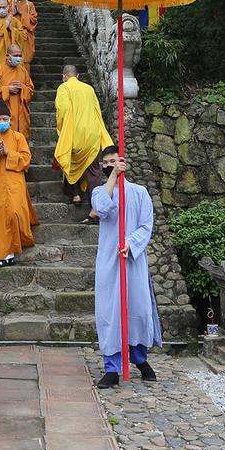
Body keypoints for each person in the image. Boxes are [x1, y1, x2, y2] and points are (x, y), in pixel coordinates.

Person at [91, 147, 162, 387]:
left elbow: (146, 225)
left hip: (133, 259)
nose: (110, 165)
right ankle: (112, 367)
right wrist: (112, 177)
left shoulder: (140, 192)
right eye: (106, 163)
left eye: (114, 161)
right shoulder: (100, 192)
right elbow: (102, 209)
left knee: (137, 309)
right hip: (109, 262)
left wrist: (130, 243)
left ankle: (140, 359)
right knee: (110, 313)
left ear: (123, 162)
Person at [53, 65, 114, 221]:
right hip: (92, 134)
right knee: (93, 170)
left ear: (64, 76)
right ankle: (96, 206)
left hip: (75, 133)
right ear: (78, 76)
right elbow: (97, 111)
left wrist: (62, 130)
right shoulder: (89, 89)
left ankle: (76, 195)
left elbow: (62, 110)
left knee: (71, 164)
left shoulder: (64, 88)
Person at [0, 101, 36, 266]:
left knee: (14, 212)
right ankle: (2, 255)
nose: (1, 122)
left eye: (4, 119)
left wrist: (8, 153)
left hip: (14, 181)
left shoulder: (18, 137)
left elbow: (26, 158)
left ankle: (13, 248)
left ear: (10, 120)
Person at [0, 46, 34, 140]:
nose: (18, 58)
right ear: (7, 56)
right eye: (15, 55)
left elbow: (30, 90)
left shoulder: (23, 71)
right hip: (3, 112)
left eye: (20, 55)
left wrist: (22, 87)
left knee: (20, 139)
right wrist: (7, 89)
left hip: (20, 112)